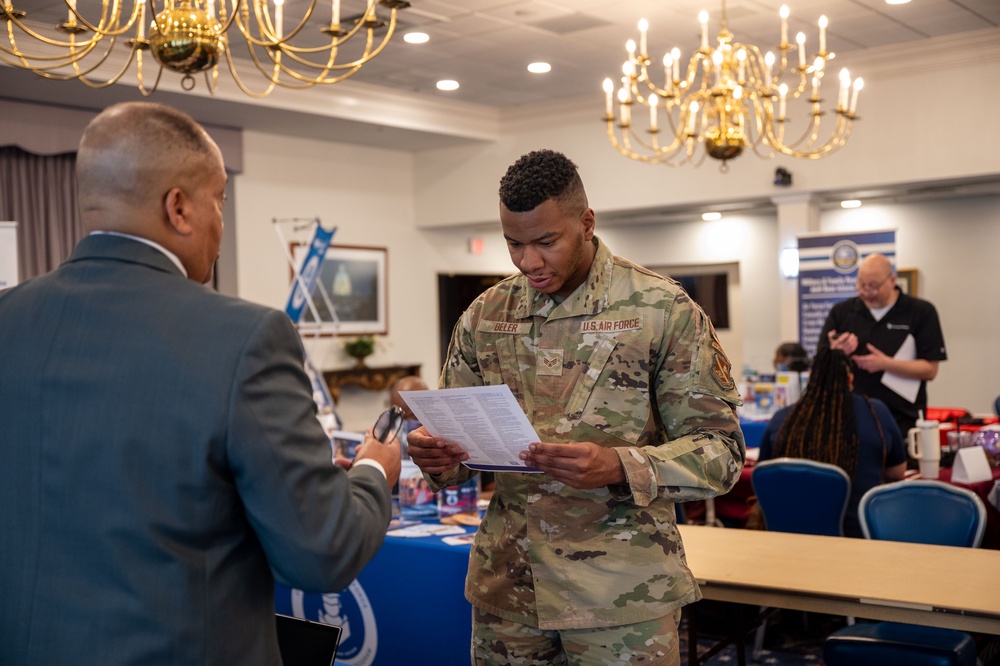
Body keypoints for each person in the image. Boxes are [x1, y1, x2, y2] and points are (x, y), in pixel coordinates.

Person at [0, 102, 401, 666]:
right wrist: (371, 475)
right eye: (220, 200)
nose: (220, 220)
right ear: (180, 208)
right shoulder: (244, 336)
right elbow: (322, 554)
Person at [407, 149, 745, 665]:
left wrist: (620, 465)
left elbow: (721, 454)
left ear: (587, 223)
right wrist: (438, 457)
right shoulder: (485, 314)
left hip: (621, 596)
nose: (528, 262)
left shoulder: (661, 310)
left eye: (546, 242)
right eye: (513, 244)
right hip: (509, 591)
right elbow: (456, 455)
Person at [758, 348, 907, 538]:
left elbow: (764, 473)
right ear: (850, 380)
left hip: (789, 539)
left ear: (811, 378)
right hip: (858, 540)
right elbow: (897, 473)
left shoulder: (783, 419)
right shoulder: (876, 413)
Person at [818, 253, 947, 439]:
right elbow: (819, 368)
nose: (867, 292)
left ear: (892, 280)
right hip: (850, 417)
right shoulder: (842, 312)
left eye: (874, 286)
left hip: (902, 418)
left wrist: (886, 364)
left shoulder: (920, 311)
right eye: (861, 285)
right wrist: (836, 353)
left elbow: (930, 370)